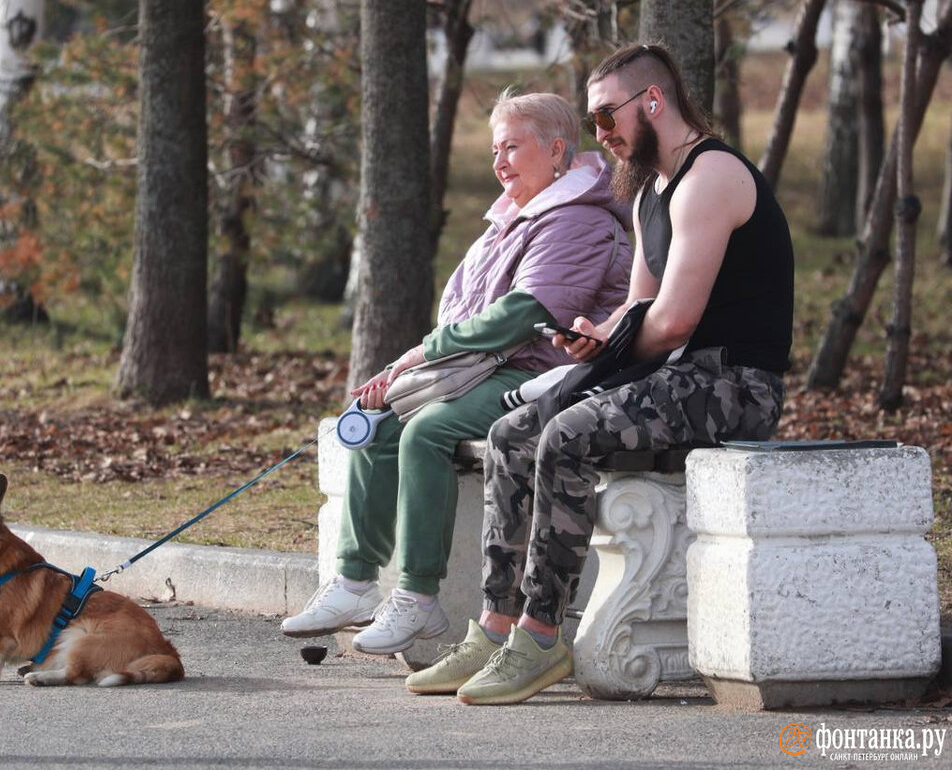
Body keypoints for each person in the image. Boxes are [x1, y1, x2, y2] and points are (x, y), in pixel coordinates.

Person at [408, 43, 794, 704]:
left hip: (733, 387)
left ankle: (541, 636)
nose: (602, 135)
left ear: (652, 101)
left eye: (605, 117)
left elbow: (672, 322)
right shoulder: (649, 191)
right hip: (672, 380)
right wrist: (595, 337)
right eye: (593, 124)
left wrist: (619, 339)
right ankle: (496, 628)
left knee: (567, 433)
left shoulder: (712, 176)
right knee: (512, 433)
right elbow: (637, 311)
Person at [281, 90, 633, 655]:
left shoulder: (578, 221)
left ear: (558, 149)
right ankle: (353, 581)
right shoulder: (513, 220)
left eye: (513, 147)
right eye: (496, 149)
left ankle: (419, 599)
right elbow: (474, 318)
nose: (499, 163)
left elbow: (525, 316)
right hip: (489, 368)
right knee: (380, 421)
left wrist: (418, 356)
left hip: (547, 375)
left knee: (428, 430)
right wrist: (407, 372)